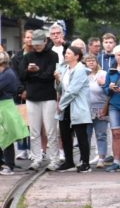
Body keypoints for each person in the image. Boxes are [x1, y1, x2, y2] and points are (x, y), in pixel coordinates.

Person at [18, 29, 60, 171]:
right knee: (34, 131)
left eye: (39, 44)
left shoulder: (53, 56)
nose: (36, 47)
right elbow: (22, 75)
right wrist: (31, 72)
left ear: (45, 41)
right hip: (32, 97)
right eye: (34, 44)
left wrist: (34, 73)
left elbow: (49, 76)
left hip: (48, 97)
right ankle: (36, 158)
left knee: (51, 130)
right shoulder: (28, 56)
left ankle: (54, 159)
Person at [54, 46, 92, 172]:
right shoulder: (64, 69)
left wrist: (61, 105)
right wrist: (57, 81)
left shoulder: (80, 70)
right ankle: (69, 161)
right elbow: (60, 89)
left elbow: (72, 91)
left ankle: (85, 162)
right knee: (65, 134)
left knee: (81, 135)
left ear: (77, 56)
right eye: (66, 53)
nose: (66, 55)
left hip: (77, 106)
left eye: (69, 53)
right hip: (66, 107)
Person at [0, 51, 29, 175]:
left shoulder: (8, 74)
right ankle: (4, 163)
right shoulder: (5, 72)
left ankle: (8, 165)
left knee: (7, 136)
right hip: (3, 106)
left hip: (5, 106)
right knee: (4, 136)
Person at [84, 53, 109, 167]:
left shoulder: (103, 73)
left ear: (97, 62)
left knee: (101, 134)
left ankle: (101, 158)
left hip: (100, 107)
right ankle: (85, 159)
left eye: (93, 60)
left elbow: (109, 92)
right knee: (86, 135)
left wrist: (103, 85)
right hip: (86, 109)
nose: (91, 62)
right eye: (88, 60)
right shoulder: (83, 74)